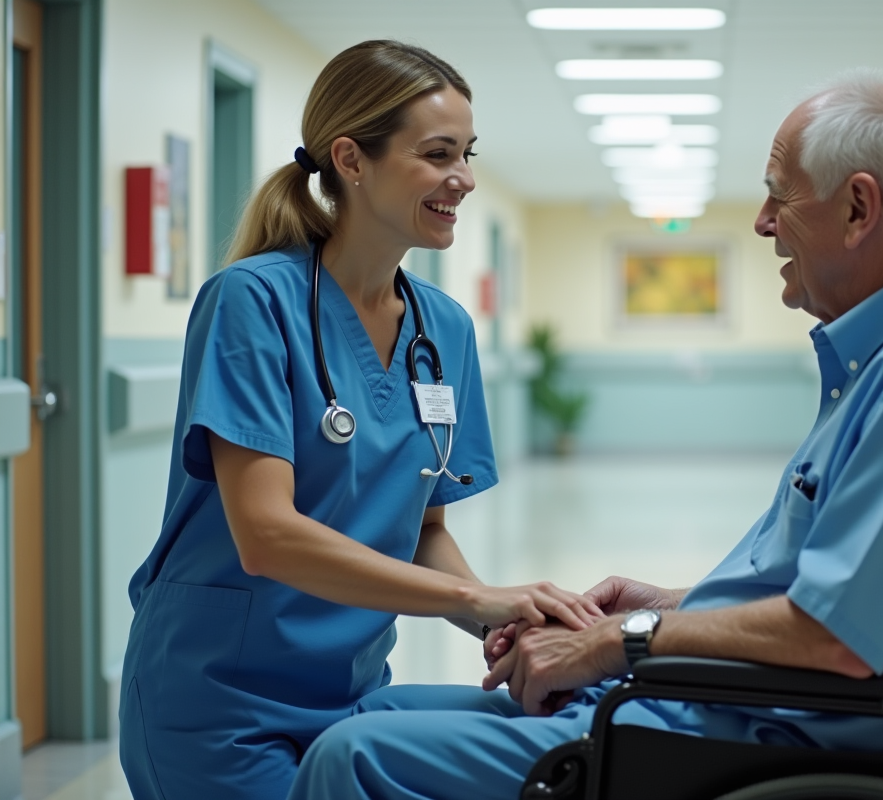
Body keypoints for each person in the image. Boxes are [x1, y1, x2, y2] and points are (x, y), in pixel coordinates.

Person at [286, 73, 883, 800]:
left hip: (756, 736)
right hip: (732, 702)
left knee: (352, 756)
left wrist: (619, 642)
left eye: (779, 198)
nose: (765, 224)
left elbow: (839, 638)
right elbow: (835, 594)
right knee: (374, 708)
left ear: (858, 208)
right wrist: (666, 605)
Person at [118, 40, 600, 800]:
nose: (464, 179)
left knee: (559, 742)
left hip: (353, 696)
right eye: (438, 154)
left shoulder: (443, 331)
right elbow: (265, 535)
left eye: (468, 154)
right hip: (220, 703)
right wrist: (477, 600)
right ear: (350, 158)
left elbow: (424, 530)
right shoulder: (251, 302)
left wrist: (503, 630)